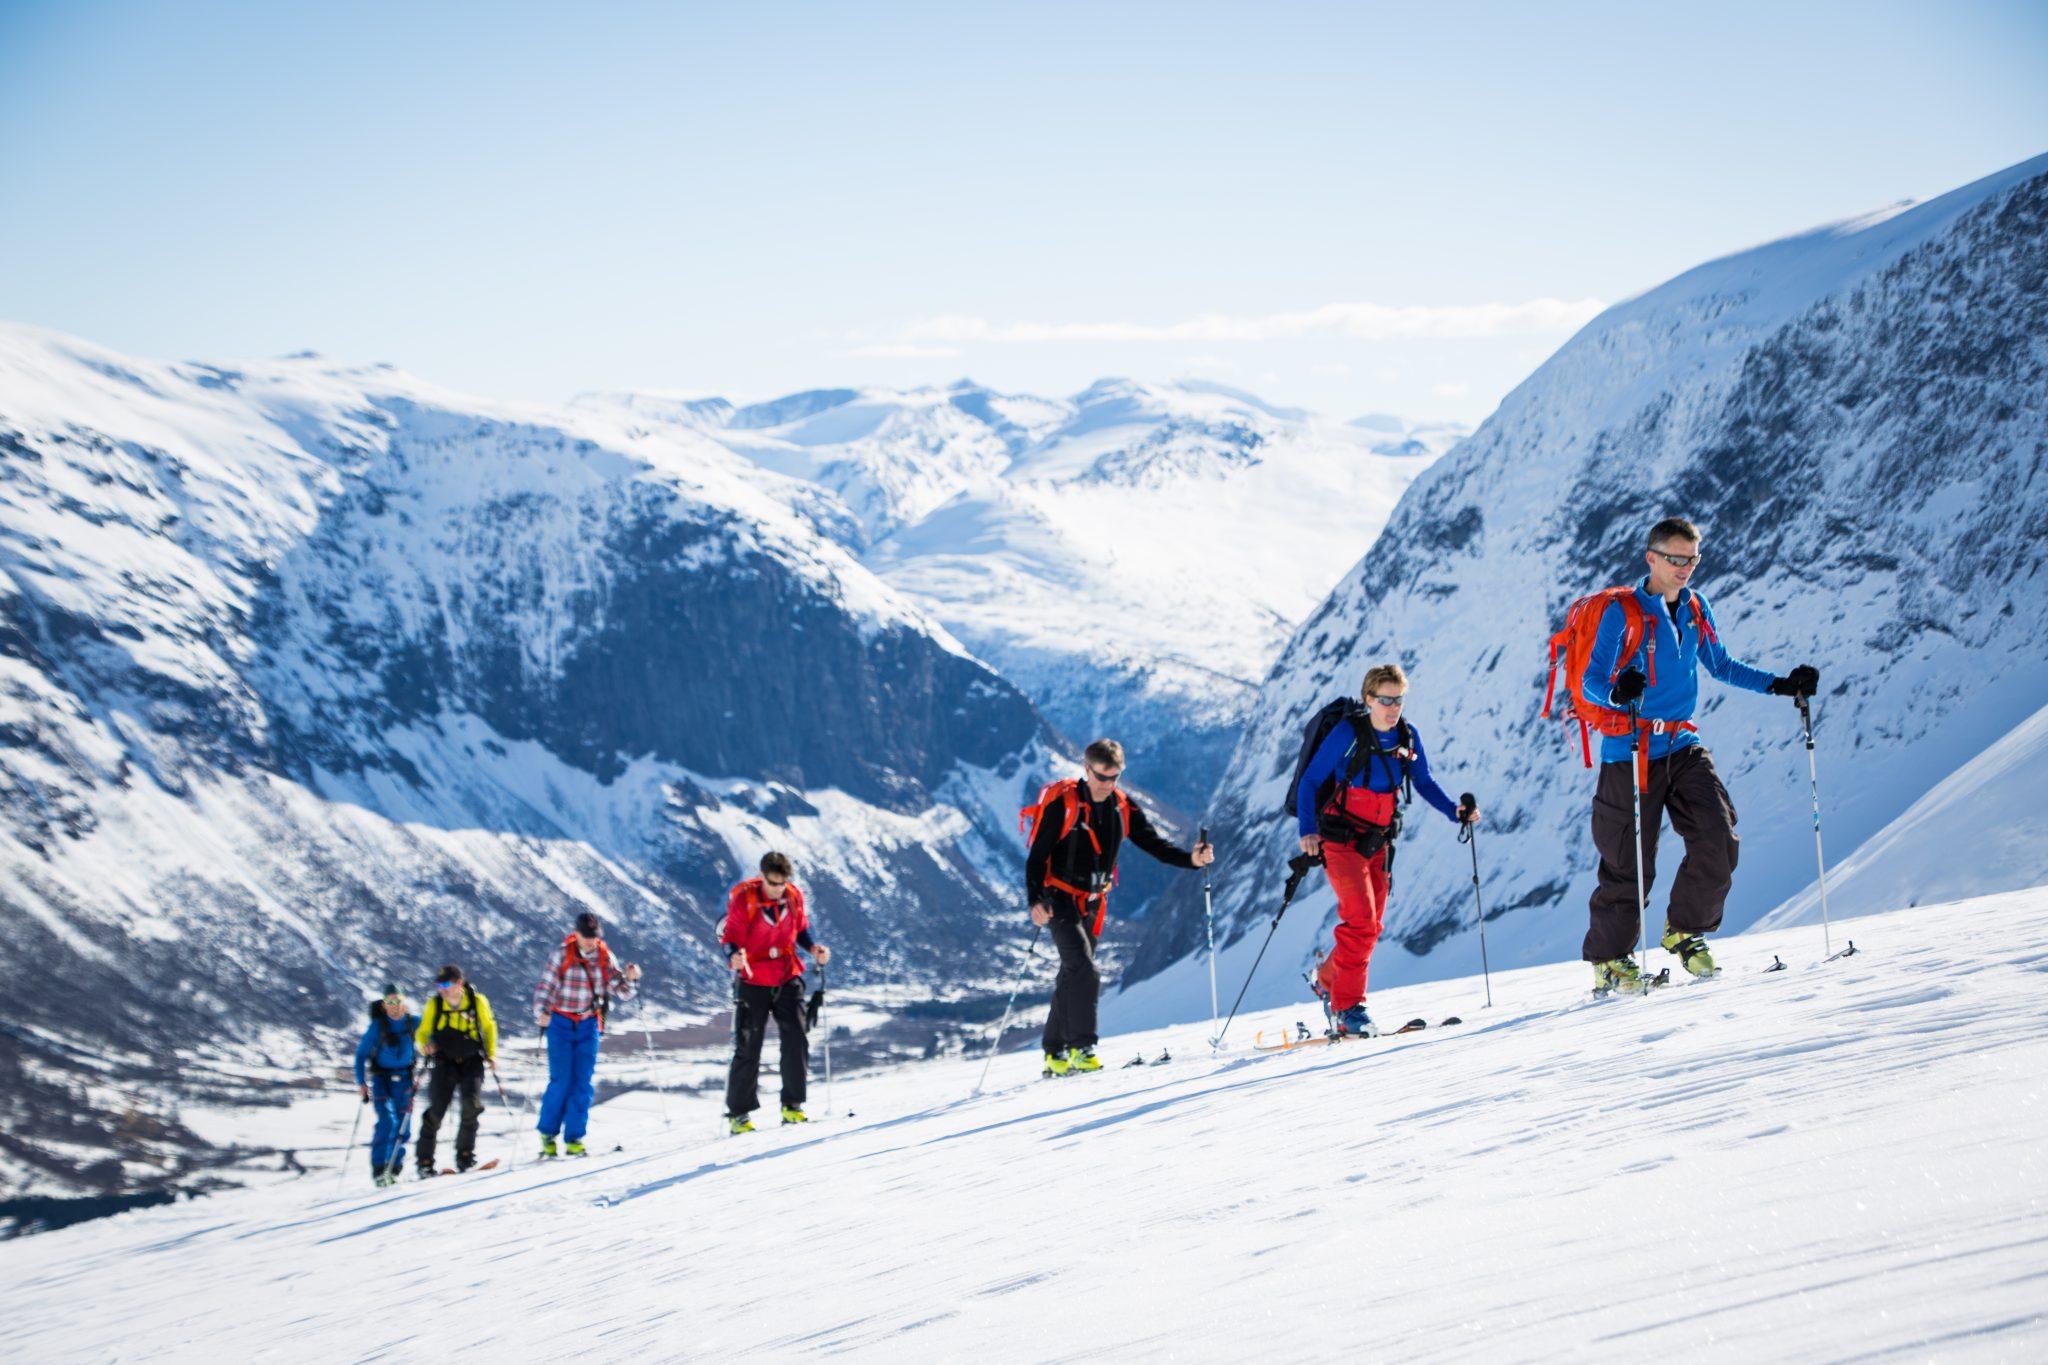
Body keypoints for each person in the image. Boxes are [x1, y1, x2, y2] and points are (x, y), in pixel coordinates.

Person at [1577, 517, 1818, 993]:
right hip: (1631, 750)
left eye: (1692, 559)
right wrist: (1618, 694)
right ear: (1651, 557)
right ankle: (1609, 959)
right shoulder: (1622, 612)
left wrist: (1781, 685)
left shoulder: (1695, 607)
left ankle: (1684, 930)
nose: (1685, 568)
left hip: (1683, 744)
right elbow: (1590, 682)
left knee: (1718, 836)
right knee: (1630, 861)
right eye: (1675, 558)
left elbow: (1721, 664)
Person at [1295, 664, 1477, 1037]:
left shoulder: (1407, 737)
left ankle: (1327, 979)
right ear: (1368, 699)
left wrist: (1453, 811)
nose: (1393, 707)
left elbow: (1423, 780)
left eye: (1398, 699)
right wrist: (1307, 831)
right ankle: (1348, 1008)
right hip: (1341, 839)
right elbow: (1311, 780)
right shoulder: (1348, 734)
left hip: (1378, 842)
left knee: (1372, 926)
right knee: (1360, 921)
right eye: (1385, 699)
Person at [1025, 739, 1214, 1078]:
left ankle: (1054, 1053)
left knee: (1072, 972)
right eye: (1102, 777)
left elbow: (1154, 845)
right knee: (1084, 969)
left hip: (1094, 900)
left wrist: (1191, 860)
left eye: (1115, 777)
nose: (1108, 785)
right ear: (1087, 770)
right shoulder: (1064, 804)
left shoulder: (1122, 807)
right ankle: (1082, 1049)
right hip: (1059, 899)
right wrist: (1035, 900)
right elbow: (1038, 856)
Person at [723, 851, 831, 1135]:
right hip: (752, 977)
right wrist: (734, 955)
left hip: (786, 974)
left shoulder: (793, 897)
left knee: (796, 1038)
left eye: (782, 883)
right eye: (772, 883)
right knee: (749, 1045)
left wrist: (813, 949)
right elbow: (730, 937)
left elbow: (801, 931)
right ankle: (739, 1114)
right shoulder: (745, 900)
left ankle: (792, 1106)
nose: (777, 889)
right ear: (762, 878)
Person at [532, 912, 641, 1158]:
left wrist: (632, 980)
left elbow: (622, 991)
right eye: (586, 936)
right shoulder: (561, 955)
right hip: (560, 1022)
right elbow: (545, 987)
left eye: (594, 937)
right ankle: (548, 1135)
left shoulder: (604, 957)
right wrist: (541, 1012)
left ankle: (574, 1138)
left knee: (582, 1082)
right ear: (577, 934)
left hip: (589, 1023)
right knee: (561, 1080)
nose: (590, 941)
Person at [413, 964, 498, 1176]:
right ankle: (424, 1161)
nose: (442, 989)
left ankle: (465, 1156)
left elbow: (488, 1027)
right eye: (439, 984)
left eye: (446, 984)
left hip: (472, 1060)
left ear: (459, 983)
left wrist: (491, 1053)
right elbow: (422, 1032)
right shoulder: (435, 1004)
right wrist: (426, 1046)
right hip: (444, 1061)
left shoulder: (477, 1002)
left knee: (471, 1105)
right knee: (437, 1110)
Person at [351, 985, 419, 1187]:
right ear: (384, 1004)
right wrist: (361, 1082)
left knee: (403, 1125)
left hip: (405, 1079)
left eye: (398, 1001)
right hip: (382, 1079)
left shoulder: (413, 1023)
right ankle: (379, 1169)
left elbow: (431, 1034)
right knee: (387, 1122)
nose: (394, 1006)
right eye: (390, 1002)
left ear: (404, 1002)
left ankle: (395, 1168)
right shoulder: (378, 1026)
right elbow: (361, 1055)